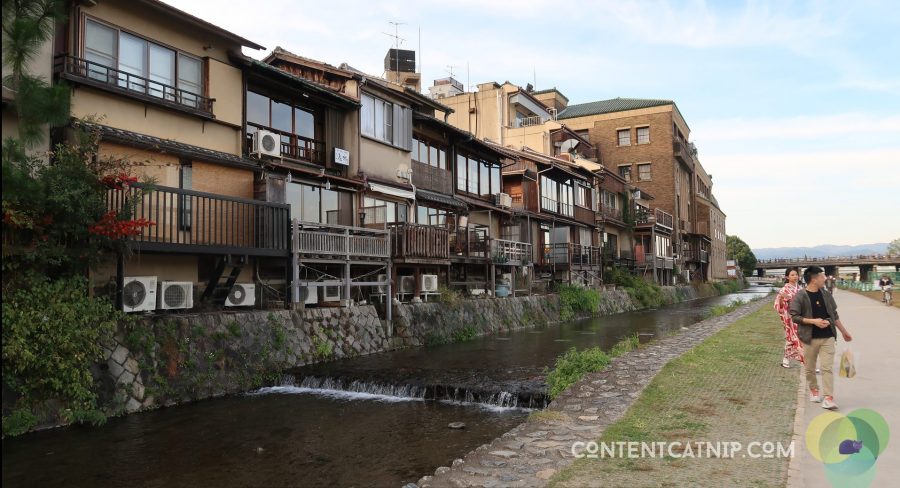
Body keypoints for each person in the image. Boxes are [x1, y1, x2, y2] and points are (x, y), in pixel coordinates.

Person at [790, 266, 853, 410]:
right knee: (810, 368)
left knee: (827, 368)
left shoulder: (826, 294)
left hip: (828, 336)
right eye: (822, 276)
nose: (824, 279)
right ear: (814, 279)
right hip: (809, 338)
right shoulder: (800, 296)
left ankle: (828, 398)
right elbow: (794, 316)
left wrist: (844, 332)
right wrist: (814, 321)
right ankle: (814, 389)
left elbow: (834, 315)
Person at [774, 267, 804, 368]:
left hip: (801, 317)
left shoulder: (800, 289)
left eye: (796, 275)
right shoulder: (784, 290)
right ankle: (807, 363)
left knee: (791, 339)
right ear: (787, 277)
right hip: (790, 318)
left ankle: (786, 359)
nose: (795, 277)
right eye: (792, 275)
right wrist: (783, 299)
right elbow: (779, 306)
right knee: (799, 338)